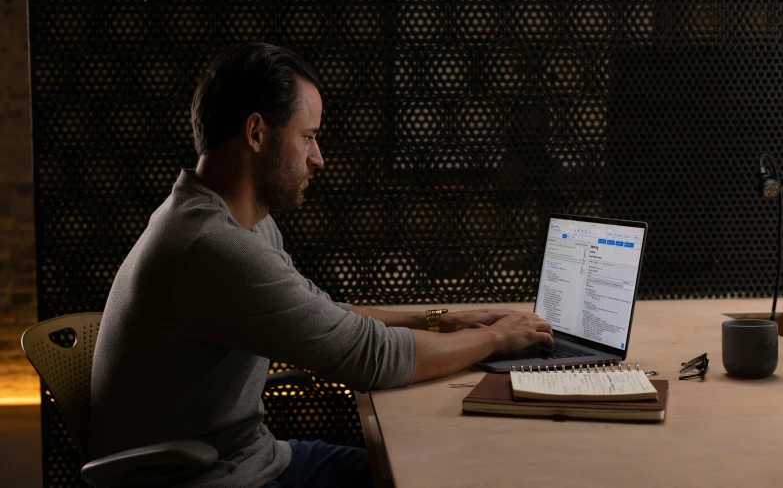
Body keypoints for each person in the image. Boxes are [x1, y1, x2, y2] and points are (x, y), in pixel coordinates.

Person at [87, 42, 554, 488]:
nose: (319, 158)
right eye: (308, 137)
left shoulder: (233, 219)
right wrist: (496, 337)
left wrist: (445, 319)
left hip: (253, 458)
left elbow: (325, 312)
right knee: (427, 473)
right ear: (256, 133)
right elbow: (372, 357)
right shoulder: (212, 246)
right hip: (214, 479)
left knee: (428, 468)